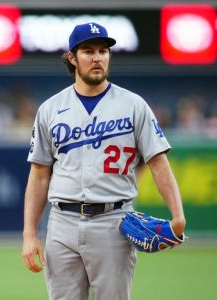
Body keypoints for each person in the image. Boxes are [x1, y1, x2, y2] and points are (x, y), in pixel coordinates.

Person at [22, 22, 186, 300]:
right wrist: (29, 234)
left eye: (103, 51)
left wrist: (178, 215)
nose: (97, 57)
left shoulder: (133, 105)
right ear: (72, 58)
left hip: (113, 221)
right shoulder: (50, 109)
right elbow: (39, 174)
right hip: (62, 222)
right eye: (88, 51)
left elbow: (158, 163)